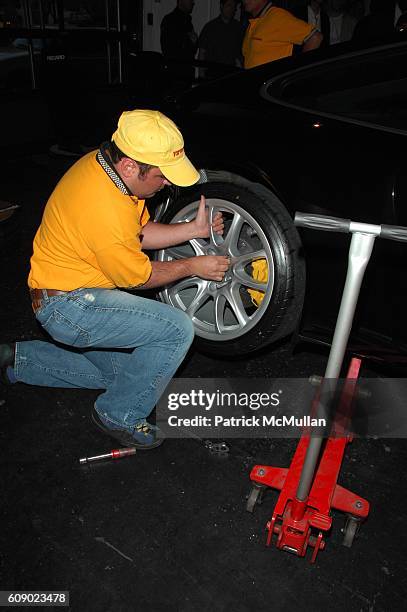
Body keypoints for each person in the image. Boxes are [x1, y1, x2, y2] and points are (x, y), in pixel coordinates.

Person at [0, 109, 228, 450]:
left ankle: (16, 359)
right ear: (131, 166)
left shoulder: (107, 169)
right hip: (69, 306)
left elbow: (136, 233)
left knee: (131, 377)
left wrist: (191, 230)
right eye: (162, 176)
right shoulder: (103, 204)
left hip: (62, 292)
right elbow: (140, 275)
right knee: (176, 329)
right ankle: (118, 415)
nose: (167, 183)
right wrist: (193, 266)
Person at [242, 0, 323, 69]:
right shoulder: (253, 23)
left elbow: (315, 37)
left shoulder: (277, 16)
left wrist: (298, 72)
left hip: (272, 86)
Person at [198, 0, 246, 79]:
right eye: (229, 5)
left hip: (231, 73)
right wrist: (201, 75)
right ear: (221, 6)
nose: (232, 9)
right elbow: (202, 52)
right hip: (212, 74)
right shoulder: (210, 27)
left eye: (234, 7)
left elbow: (240, 54)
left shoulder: (238, 28)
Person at [160, 0, 198, 84]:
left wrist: (194, 42)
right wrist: (189, 40)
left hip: (186, 74)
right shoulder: (169, 20)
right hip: (174, 75)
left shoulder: (187, 21)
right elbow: (167, 50)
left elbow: (192, 51)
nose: (192, 2)